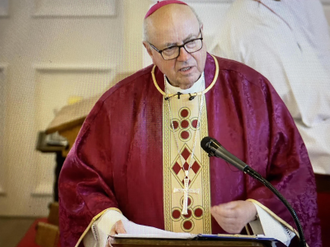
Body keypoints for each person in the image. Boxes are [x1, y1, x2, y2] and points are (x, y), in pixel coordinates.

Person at [58, 1, 321, 247]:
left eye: (192, 42)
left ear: (203, 33)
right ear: (149, 50)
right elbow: (80, 180)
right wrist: (110, 220)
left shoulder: (251, 92)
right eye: (170, 48)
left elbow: (294, 174)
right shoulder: (119, 104)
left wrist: (254, 209)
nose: (184, 57)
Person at [210, 0, 330, 176]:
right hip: (286, 135)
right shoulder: (249, 25)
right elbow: (303, 106)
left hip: (310, 119)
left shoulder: (305, 4)